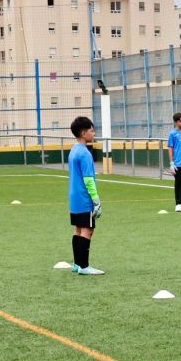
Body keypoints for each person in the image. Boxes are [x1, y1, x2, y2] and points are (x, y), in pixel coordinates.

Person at [64, 116, 105, 275]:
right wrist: (96, 200)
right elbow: (88, 179)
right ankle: (84, 266)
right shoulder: (85, 154)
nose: (94, 133)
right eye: (92, 130)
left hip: (74, 197)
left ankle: (77, 264)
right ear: (83, 132)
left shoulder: (74, 150)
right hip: (84, 197)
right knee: (88, 230)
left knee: (78, 229)